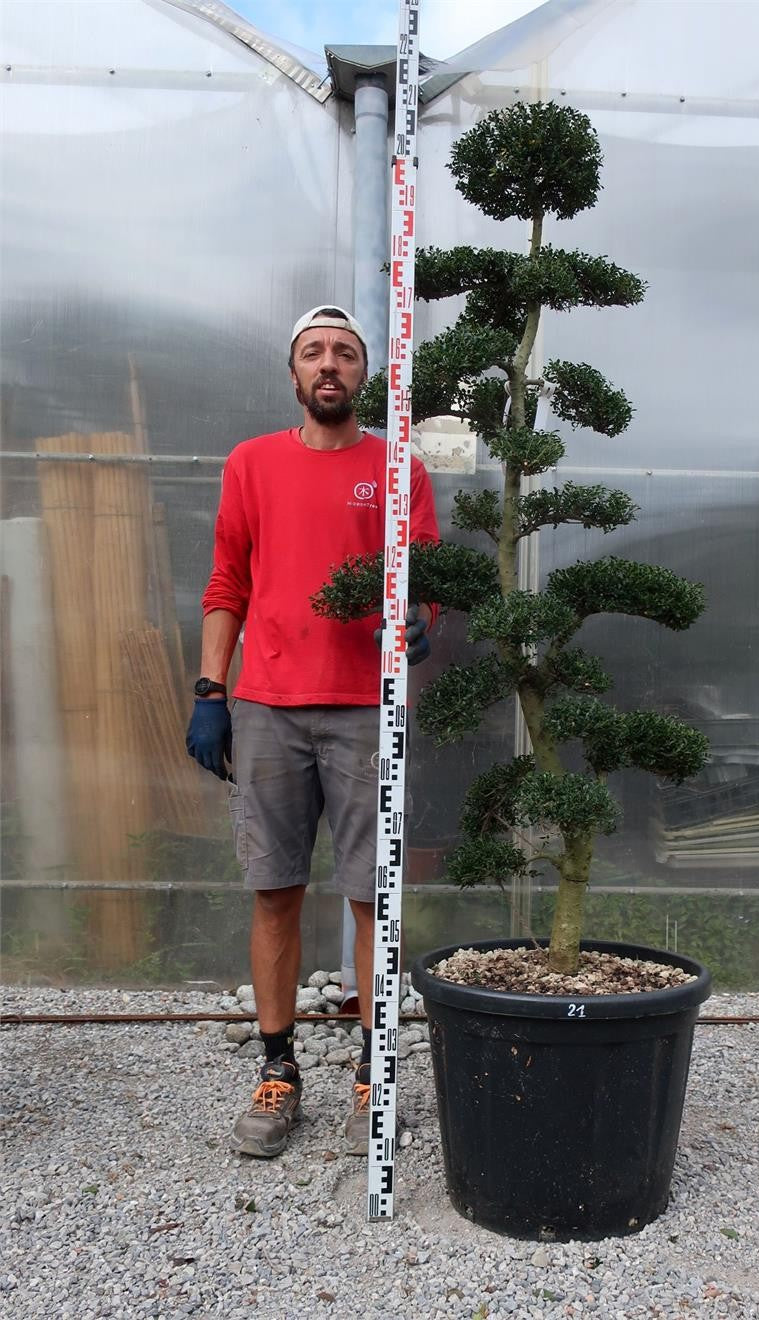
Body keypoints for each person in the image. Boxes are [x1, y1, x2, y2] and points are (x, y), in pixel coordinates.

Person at [186, 305, 439, 1158]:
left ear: (364, 372)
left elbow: (426, 572)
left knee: (373, 892)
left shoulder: (396, 467)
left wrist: (419, 620)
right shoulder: (251, 464)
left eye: (344, 352)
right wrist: (210, 688)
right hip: (266, 708)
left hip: (368, 709)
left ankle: (375, 1063)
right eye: (313, 353)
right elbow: (228, 580)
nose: (328, 365)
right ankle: (278, 1066)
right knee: (274, 889)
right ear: (292, 373)